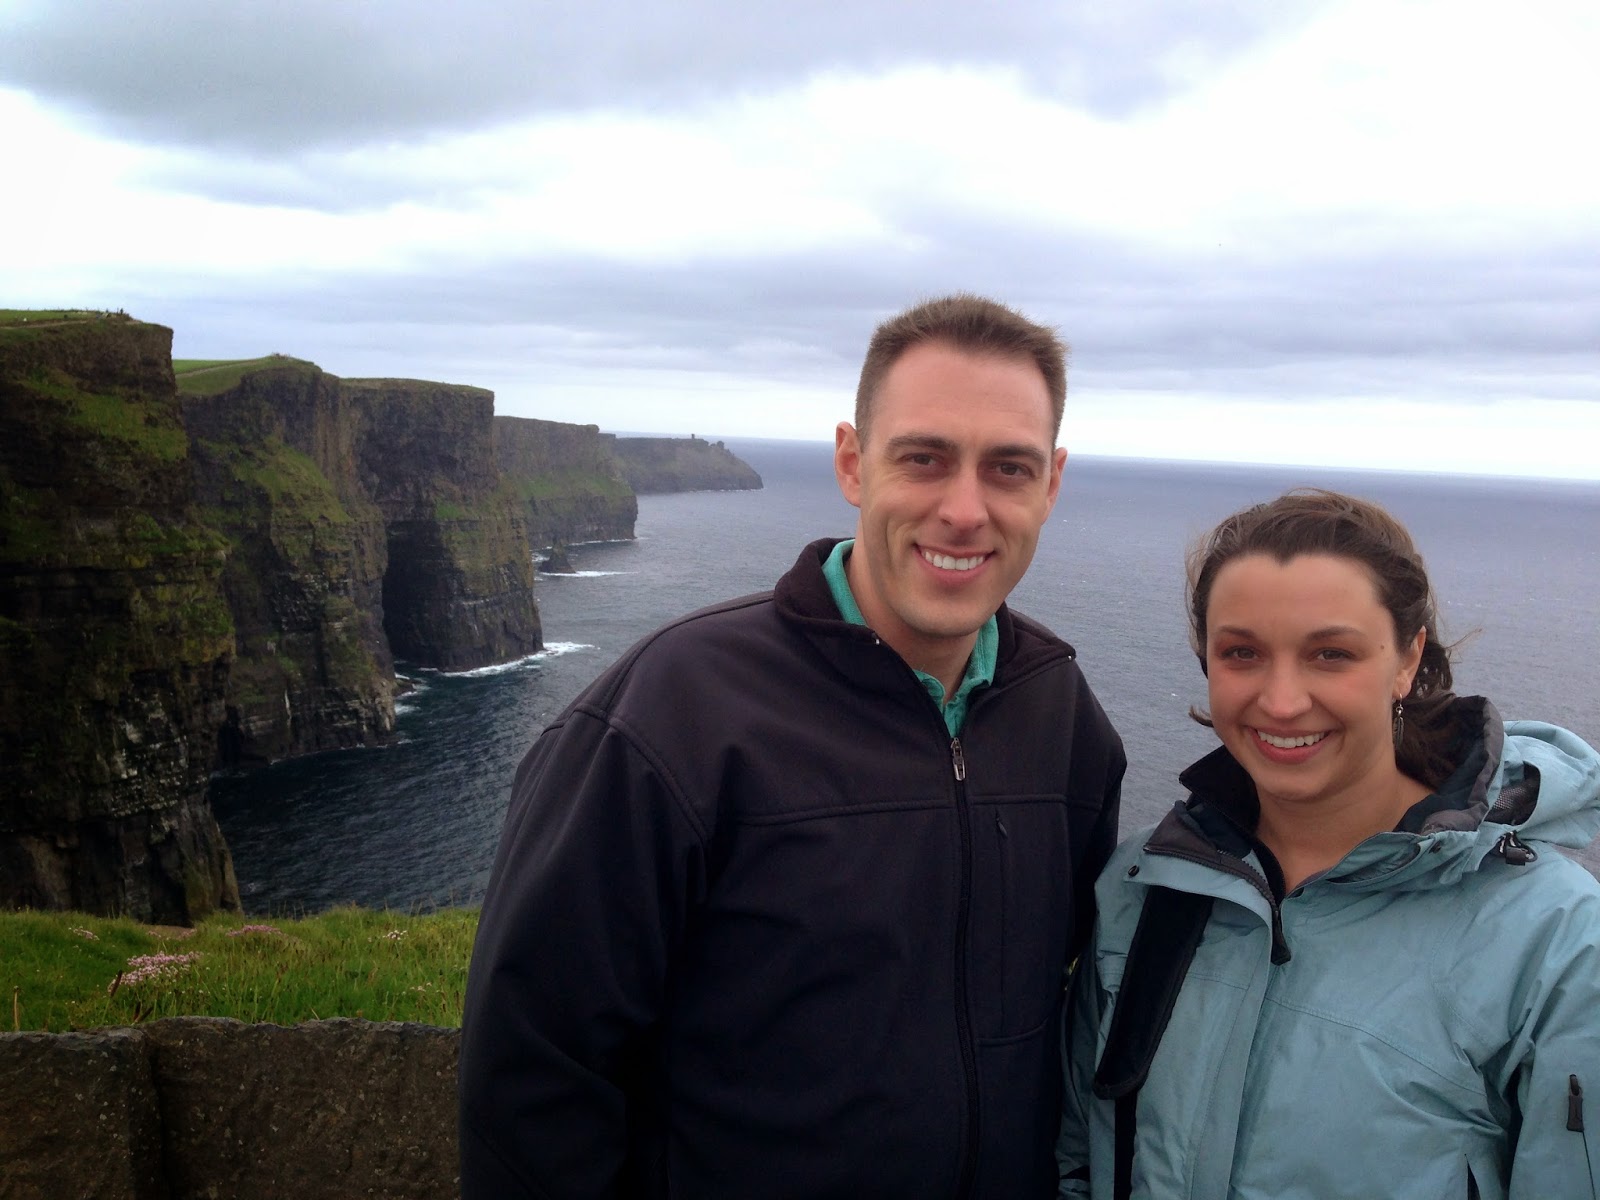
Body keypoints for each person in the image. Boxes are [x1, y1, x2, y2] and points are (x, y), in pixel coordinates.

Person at [460, 293, 1125, 1199]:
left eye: (1008, 468)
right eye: (924, 458)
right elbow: (535, 1068)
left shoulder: (1060, 714)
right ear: (853, 463)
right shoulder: (673, 714)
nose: (965, 510)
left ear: (1050, 485)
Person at [1057, 488, 1600, 1199]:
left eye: (1331, 654)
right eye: (1242, 652)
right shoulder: (1145, 886)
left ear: (1407, 660)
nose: (1282, 701)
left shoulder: (1554, 942)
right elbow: (1079, 1160)